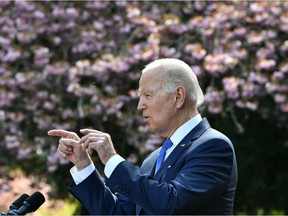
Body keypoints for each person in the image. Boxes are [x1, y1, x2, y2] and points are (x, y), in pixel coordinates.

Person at [48, 58, 238, 215]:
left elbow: (169, 203)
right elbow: (117, 213)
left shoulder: (213, 146)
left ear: (178, 96)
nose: (140, 106)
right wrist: (84, 166)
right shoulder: (152, 160)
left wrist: (112, 159)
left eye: (148, 95)